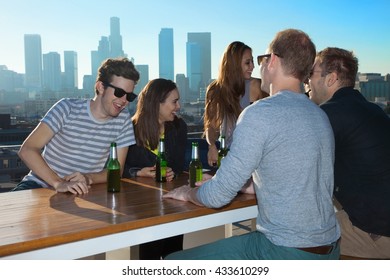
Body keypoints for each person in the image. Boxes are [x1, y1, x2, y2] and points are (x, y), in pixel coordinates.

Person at [163, 29, 340, 260]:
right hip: (330, 249)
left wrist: (188, 193)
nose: (258, 68)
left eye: (261, 60)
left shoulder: (259, 114)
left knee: (172, 263)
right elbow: (293, 178)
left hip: (284, 250)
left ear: (273, 60)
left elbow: (217, 197)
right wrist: (239, 185)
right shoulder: (319, 115)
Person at [308, 47, 390, 259]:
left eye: (311, 73)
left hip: (377, 233)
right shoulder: (372, 110)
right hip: (377, 220)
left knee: (295, 238)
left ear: (331, 78)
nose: (306, 81)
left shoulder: (329, 114)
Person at [13, 57, 139, 194]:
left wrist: (87, 178)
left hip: (82, 191)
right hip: (38, 184)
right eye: (119, 93)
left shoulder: (123, 119)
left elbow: (116, 171)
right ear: (100, 87)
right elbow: (27, 149)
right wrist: (58, 183)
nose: (124, 101)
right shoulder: (66, 108)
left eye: (129, 96)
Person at [123, 78, 187, 259]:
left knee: (174, 255)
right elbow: (115, 167)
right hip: (141, 207)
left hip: (171, 202)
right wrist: (137, 172)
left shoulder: (179, 127)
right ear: (156, 103)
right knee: (148, 257)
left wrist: (171, 171)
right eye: (174, 102)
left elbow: (178, 164)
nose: (179, 106)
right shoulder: (129, 129)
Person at [203, 41, 268, 167]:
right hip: (228, 159)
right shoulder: (215, 90)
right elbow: (211, 126)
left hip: (256, 159)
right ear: (234, 65)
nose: (252, 67)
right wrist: (211, 146)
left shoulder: (259, 87)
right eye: (247, 63)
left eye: (252, 62)